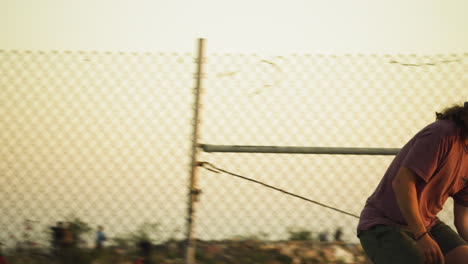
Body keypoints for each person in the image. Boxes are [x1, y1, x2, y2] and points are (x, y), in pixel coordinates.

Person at [357, 102, 468, 264]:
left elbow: (462, 219)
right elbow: (402, 183)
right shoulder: (443, 134)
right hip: (384, 225)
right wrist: (422, 236)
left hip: (428, 224)